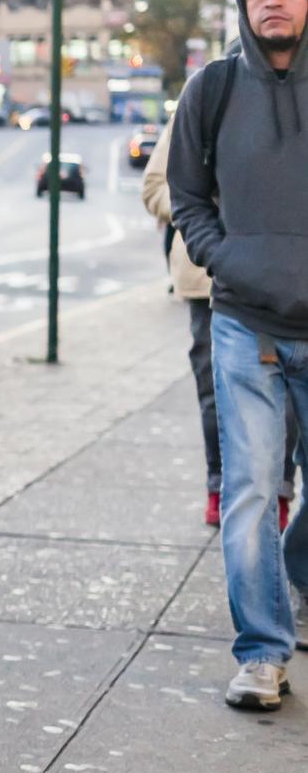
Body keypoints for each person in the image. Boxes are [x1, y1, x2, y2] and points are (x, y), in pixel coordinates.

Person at [169, 0, 308, 711]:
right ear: (243, 6)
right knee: (251, 487)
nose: (274, 1)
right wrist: (227, 259)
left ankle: (296, 579)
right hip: (242, 323)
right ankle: (261, 652)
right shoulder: (212, 88)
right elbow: (186, 194)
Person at [142, 118, 301, 529]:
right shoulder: (202, 101)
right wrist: (214, 221)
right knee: (213, 388)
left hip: (276, 276)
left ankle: (280, 490)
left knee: (281, 388)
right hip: (206, 275)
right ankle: (218, 485)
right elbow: (156, 188)